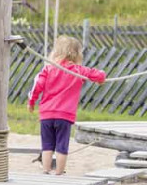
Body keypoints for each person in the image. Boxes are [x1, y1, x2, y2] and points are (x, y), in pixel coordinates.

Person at [28, 35, 105, 175]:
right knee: (62, 145)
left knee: (47, 145)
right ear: (77, 54)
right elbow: (97, 74)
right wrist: (101, 78)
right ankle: (59, 172)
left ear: (56, 52)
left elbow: (37, 85)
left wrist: (31, 102)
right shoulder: (78, 70)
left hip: (47, 114)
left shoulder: (48, 69)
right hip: (64, 115)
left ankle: (46, 170)